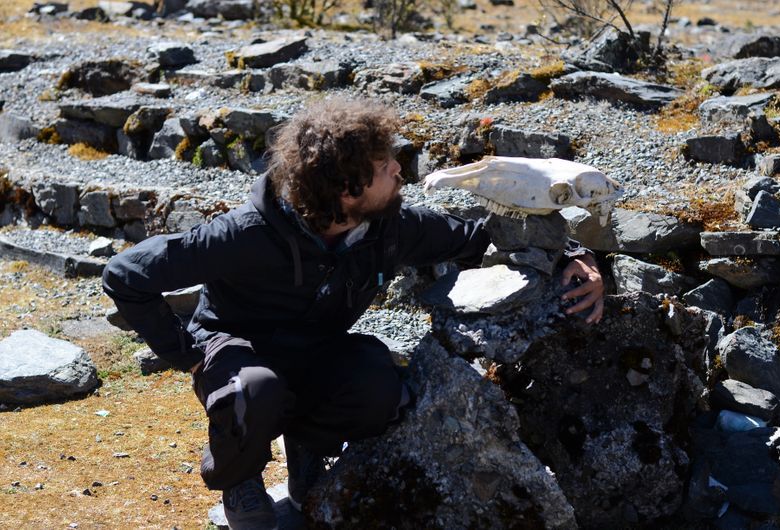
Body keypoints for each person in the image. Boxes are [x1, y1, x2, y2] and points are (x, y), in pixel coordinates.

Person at [102, 97, 604, 529]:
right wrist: (186, 354)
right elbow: (126, 274)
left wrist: (576, 255)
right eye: (387, 168)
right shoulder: (246, 233)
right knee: (255, 391)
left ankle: (307, 450)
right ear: (347, 190)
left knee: (378, 386)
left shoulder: (389, 226)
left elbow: (483, 239)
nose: (399, 172)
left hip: (318, 350)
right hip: (238, 352)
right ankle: (241, 481)